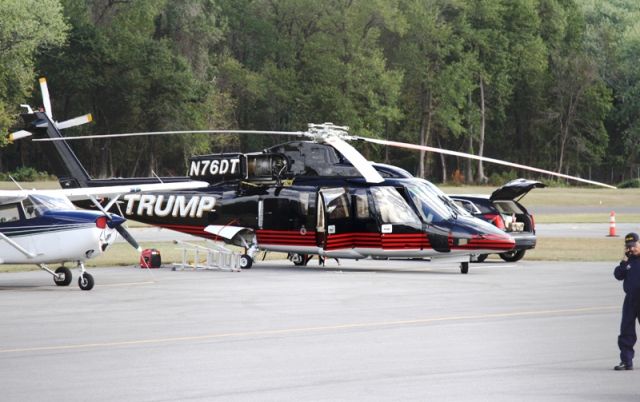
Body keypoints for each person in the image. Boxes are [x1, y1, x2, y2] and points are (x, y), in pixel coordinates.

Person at [613, 232, 640, 371]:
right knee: (626, 330)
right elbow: (618, 275)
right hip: (630, 300)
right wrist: (624, 259)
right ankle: (626, 361)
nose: (632, 249)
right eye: (629, 246)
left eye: (634, 245)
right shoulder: (628, 261)